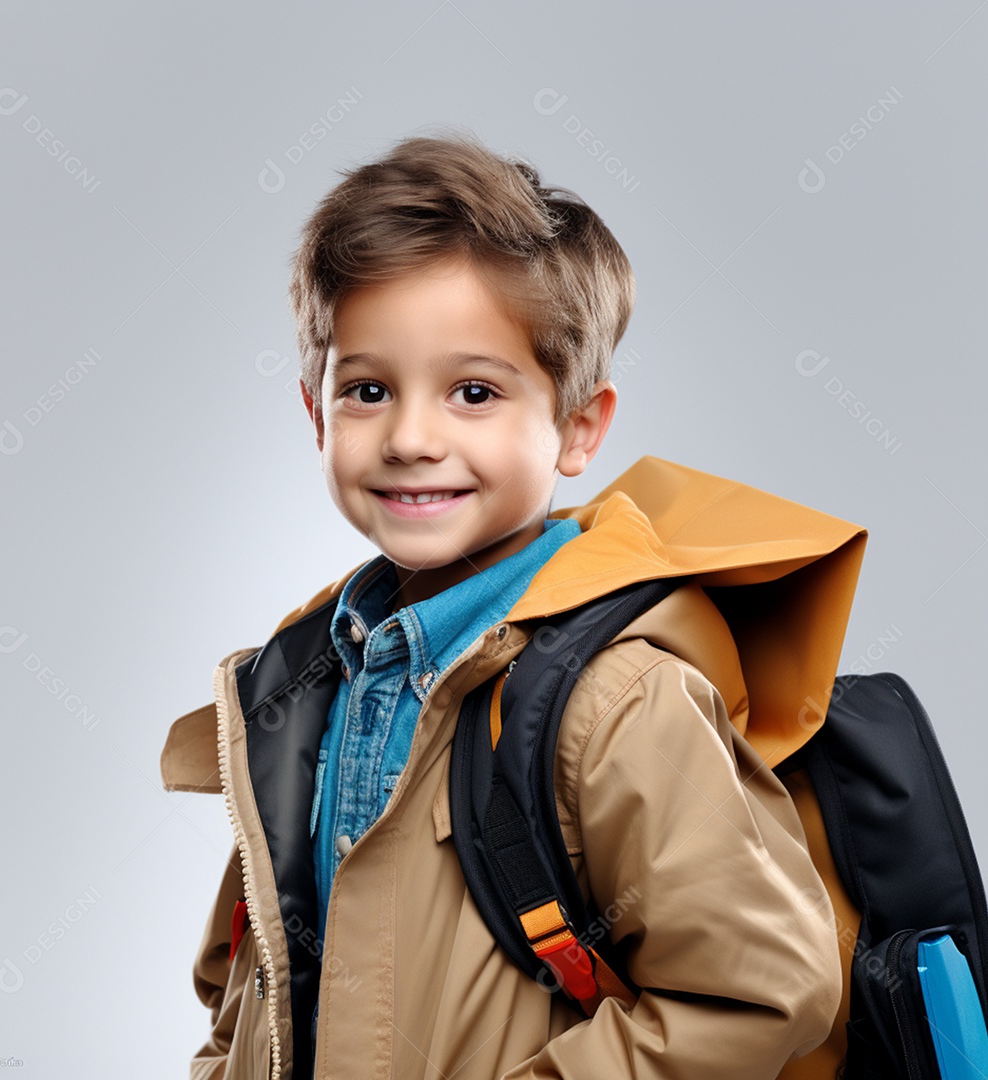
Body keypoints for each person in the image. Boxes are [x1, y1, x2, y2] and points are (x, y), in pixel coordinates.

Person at [161, 129, 868, 1079]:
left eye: (474, 392)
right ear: (315, 413)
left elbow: (758, 992)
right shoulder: (300, 684)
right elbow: (247, 984)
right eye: (368, 389)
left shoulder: (620, 701)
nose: (412, 436)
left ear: (578, 427)